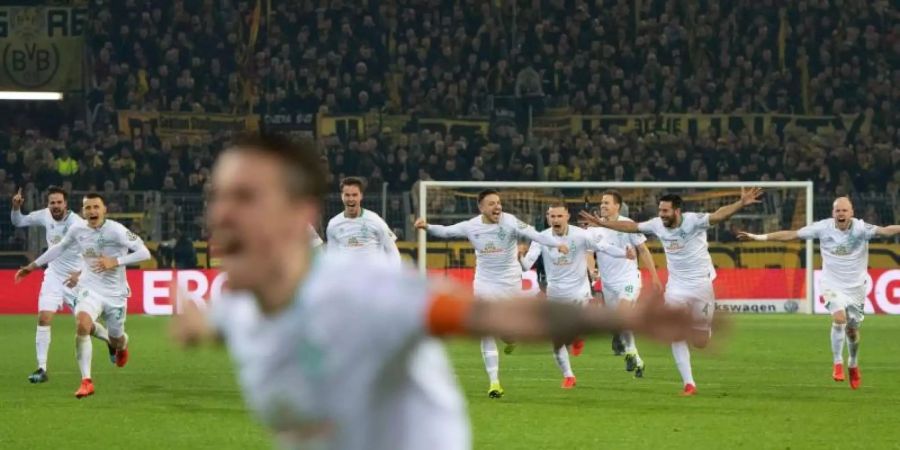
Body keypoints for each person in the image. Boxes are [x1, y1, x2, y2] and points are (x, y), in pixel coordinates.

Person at [169, 134, 695, 450]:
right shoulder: (237, 308)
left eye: (245, 197)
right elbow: (233, 325)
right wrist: (196, 326)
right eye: (219, 196)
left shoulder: (367, 291)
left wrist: (613, 321)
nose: (223, 213)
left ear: (297, 214)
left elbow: (494, 318)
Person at [580, 188, 763, 395]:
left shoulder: (694, 221)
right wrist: (602, 223)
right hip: (676, 287)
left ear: (677, 211)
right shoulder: (658, 224)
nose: (661, 214)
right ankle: (689, 383)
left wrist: (740, 203)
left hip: (701, 285)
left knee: (701, 342)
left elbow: (720, 214)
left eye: (665, 211)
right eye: (660, 210)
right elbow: (631, 227)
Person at [414, 189, 571, 398]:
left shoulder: (510, 221)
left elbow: (534, 233)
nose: (497, 206)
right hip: (485, 283)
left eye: (498, 202)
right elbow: (446, 231)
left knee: (507, 333)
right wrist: (427, 226)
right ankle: (494, 382)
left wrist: (557, 243)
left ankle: (511, 339)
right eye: (491, 204)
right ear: (481, 208)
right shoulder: (472, 226)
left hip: (510, 282)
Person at [738, 197, 900, 390]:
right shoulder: (823, 228)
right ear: (833, 213)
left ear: (852, 213)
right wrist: (759, 237)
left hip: (856, 288)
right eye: (838, 211)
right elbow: (791, 235)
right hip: (831, 284)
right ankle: (838, 362)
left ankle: (853, 363)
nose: (841, 214)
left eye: (844, 211)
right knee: (839, 319)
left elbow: (885, 231)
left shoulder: (860, 229)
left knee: (852, 331)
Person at [15, 193, 152, 398]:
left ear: (104, 209)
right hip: (90, 289)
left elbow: (144, 253)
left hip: (115, 294)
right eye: (88, 208)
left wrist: (116, 261)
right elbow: (58, 248)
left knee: (117, 339)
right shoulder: (78, 229)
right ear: (83, 211)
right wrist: (33, 266)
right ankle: (86, 381)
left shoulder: (117, 230)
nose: (92, 211)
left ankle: (121, 346)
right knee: (82, 325)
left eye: (96, 207)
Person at [520, 201, 635, 388]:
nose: (555, 219)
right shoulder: (541, 238)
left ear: (567, 217)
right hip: (555, 293)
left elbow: (604, 247)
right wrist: (520, 256)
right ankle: (569, 376)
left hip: (579, 292)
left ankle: (578, 335)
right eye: (552, 216)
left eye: (559, 216)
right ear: (548, 218)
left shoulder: (581, 235)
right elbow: (527, 265)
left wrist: (624, 254)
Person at [10, 186, 111, 384]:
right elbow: (19, 221)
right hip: (54, 276)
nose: (55, 206)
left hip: (75, 279)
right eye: (52, 203)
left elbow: (91, 253)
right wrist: (15, 208)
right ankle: (41, 368)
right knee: (44, 318)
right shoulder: (44, 215)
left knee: (86, 326)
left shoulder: (77, 223)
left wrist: (80, 272)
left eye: (59, 203)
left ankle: (110, 340)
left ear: (66, 204)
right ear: (48, 204)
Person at [587, 190, 663, 378]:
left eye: (606, 203)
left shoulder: (628, 225)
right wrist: (591, 270)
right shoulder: (593, 229)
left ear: (617, 206)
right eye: (602, 202)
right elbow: (589, 252)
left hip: (628, 279)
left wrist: (654, 276)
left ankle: (630, 352)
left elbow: (643, 250)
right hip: (608, 284)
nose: (602, 205)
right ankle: (635, 357)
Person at [326, 177, 401, 267]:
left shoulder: (375, 220)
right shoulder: (333, 224)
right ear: (342, 196)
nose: (351, 199)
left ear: (361, 196)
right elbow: (332, 257)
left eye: (354, 195)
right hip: (347, 279)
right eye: (347, 195)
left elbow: (392, 251)